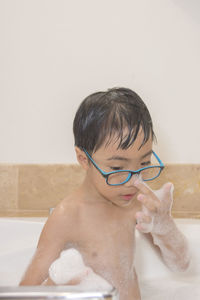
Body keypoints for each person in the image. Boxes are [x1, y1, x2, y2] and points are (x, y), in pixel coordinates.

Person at [20, 87, 190, 300]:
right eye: (118, 168)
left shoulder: (135, 204)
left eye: (144, 163)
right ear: (84, 159)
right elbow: (25, 292)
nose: (134, 181)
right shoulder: (68, 217)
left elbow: (181, 264)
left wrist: (165, 228)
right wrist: (57, 285)